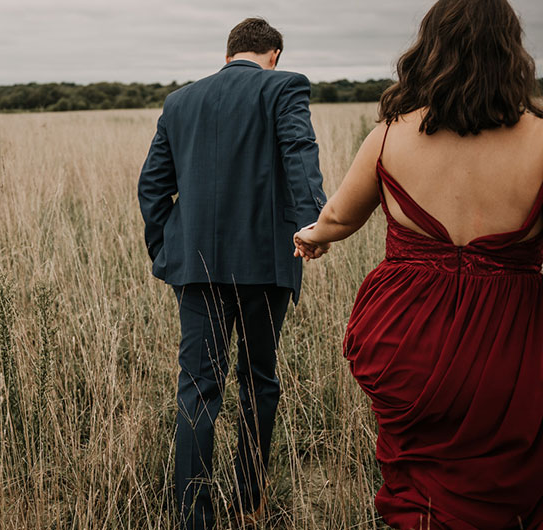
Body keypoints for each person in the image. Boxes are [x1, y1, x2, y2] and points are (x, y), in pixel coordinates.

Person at [292, 0, 543, 528]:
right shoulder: (541, 141)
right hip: (511, 346)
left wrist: (311, 237)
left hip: (409, 342)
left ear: (430, 49)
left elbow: (337, 217)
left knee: (418, 493)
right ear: (511, 52)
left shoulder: (389, 134)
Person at [138, 17, 326, 530]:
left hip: (195, 268)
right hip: (267, 266)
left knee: (198, 389)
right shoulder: (285, 86)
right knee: (258, 381)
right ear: (275, 54)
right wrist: (315, 225)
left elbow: (152, 188)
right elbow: (299, 154)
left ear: (228, 54)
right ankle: (247, 503)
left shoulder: (180, 101)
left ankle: (193, 519)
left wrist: (169, 249)